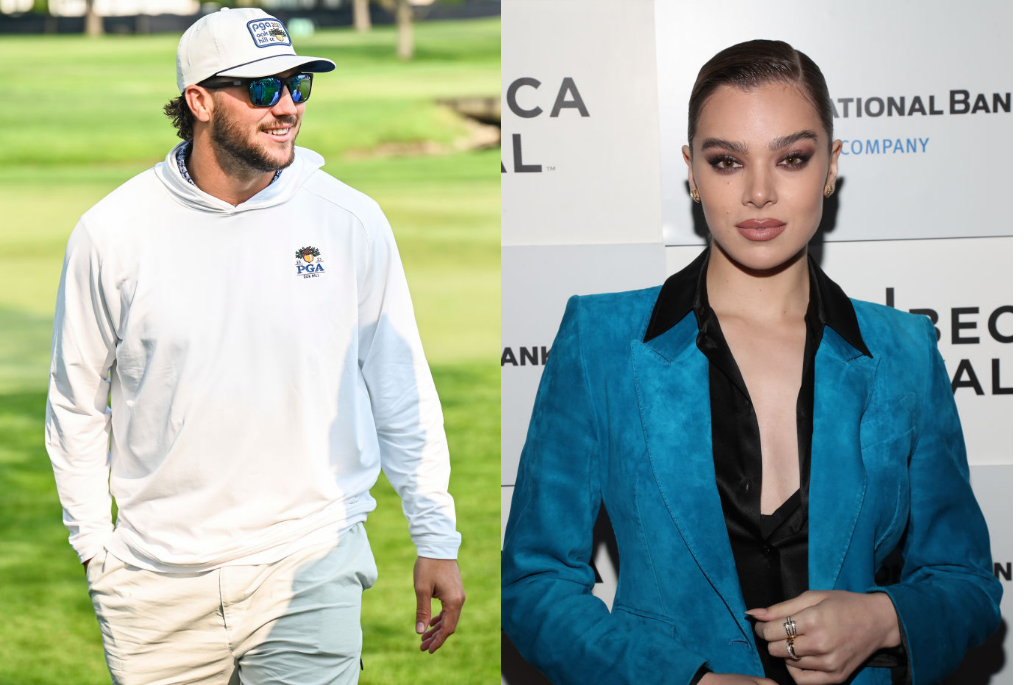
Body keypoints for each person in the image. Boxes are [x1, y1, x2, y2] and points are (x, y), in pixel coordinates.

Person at [501, 40, 1001, 685]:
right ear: (691, 170)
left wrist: (882, 618)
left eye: (791, 158)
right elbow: (534, 583)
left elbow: (965, 585)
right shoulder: (601, 340)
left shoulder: (903, 350)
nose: (760, 192)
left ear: (831, 166)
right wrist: (683, 681)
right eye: (727, 161)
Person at [45, 8, 465, 684]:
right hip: (154, 588)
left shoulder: (349, 219)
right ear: (199, 100)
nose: (288, 107)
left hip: (308, 566)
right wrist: (98, 551)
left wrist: (436, 537)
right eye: (263, 90)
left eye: (298, 86)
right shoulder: (111, 233)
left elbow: (400, 386)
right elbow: (76, 405)